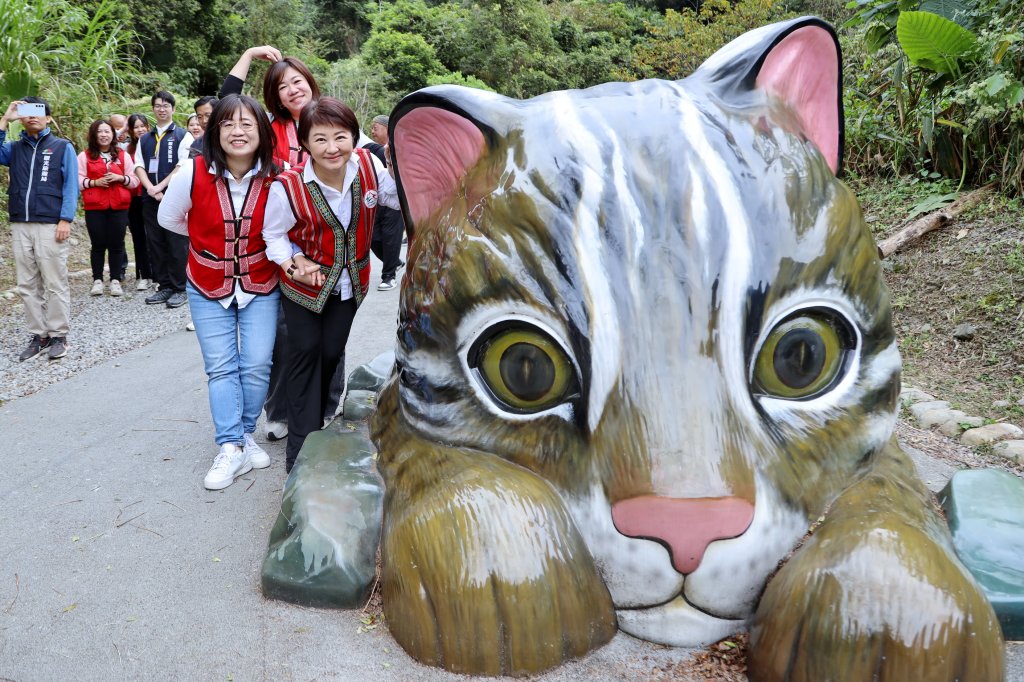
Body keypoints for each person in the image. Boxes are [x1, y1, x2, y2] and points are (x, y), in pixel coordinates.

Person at [263, 97, 400, 471]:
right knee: (304, 351)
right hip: (303, 287)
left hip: (351, 284)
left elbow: (394, 198)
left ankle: (314, 421)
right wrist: (293, 262)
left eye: (340, 137)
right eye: (320, 139)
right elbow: (272, 235)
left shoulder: (369, 168)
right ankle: (300, 454)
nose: (331, 147)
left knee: (330, 352)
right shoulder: (287, 186)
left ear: (354, 138)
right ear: (305, 143)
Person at [158, 94, 280, 490]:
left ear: (262, 130)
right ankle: (231, 445)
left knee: (259, 362)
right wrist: (209, 246)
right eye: (228, 124)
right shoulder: (193, 173)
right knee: (222, 366)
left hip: (262, 282)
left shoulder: (280, 177)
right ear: (215, 132)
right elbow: (171, 218)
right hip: (206, 282)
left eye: (247, 123)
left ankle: (244, 434)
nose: (238, 131)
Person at [0, 97, 78, 361]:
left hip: (51, 223)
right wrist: (4, 120)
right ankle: (39, 335)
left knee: (54, 282)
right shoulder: (14, 148)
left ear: (48, 117)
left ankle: (59, 336)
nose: (32, 116)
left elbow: (70, 186)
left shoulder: (61, 146)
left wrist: (66, 219)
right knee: (27, 283)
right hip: (21, 222)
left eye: (37, 112)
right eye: (26, 112)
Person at [133, 91, 194, 309]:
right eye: (158, 105)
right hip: (150, 197)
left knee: (176, 241)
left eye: (166, 105)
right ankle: (164, 285)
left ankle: (180, 287)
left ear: (173, 109)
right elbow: (138, 164)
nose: (161, 108)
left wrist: (160, 187)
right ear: (153, 109)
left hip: (174, 195)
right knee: (155, 241)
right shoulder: (145, 139)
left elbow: (182, 165)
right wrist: (150, 188)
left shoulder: (183, 135)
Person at [78, 119, 139, 296]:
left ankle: (115, 279)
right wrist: (95, 182)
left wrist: (120, 178)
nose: (104, 135)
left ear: (113, 134)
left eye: (107, 131)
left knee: (117, 243)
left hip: (119, 206)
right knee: (97, 244)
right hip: (95, 206)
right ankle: (97, 279)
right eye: (100, 131)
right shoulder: (85, 156)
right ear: (93, 135)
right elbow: (77, 180)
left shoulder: (122, 155)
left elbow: (134, 180)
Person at [364, 114, 404, 291]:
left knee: (390, 239)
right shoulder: (371, 150)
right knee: (373, 238)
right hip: (377, 201)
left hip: (395, 201)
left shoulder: (399, 148)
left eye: (375, 128)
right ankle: (395, 262)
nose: (372, 131)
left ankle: (388, 277)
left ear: (387, 129)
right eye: (371, 128)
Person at [124, 113, 153, 290]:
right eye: (136, 127)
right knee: (138, 237)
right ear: (131, 131)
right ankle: (143, 273)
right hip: (134, 198)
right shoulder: (127, 150)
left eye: (143, 126)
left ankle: (157, 273)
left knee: (155, 236)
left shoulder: (154, 144)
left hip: (151, 195)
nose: (140, 129)